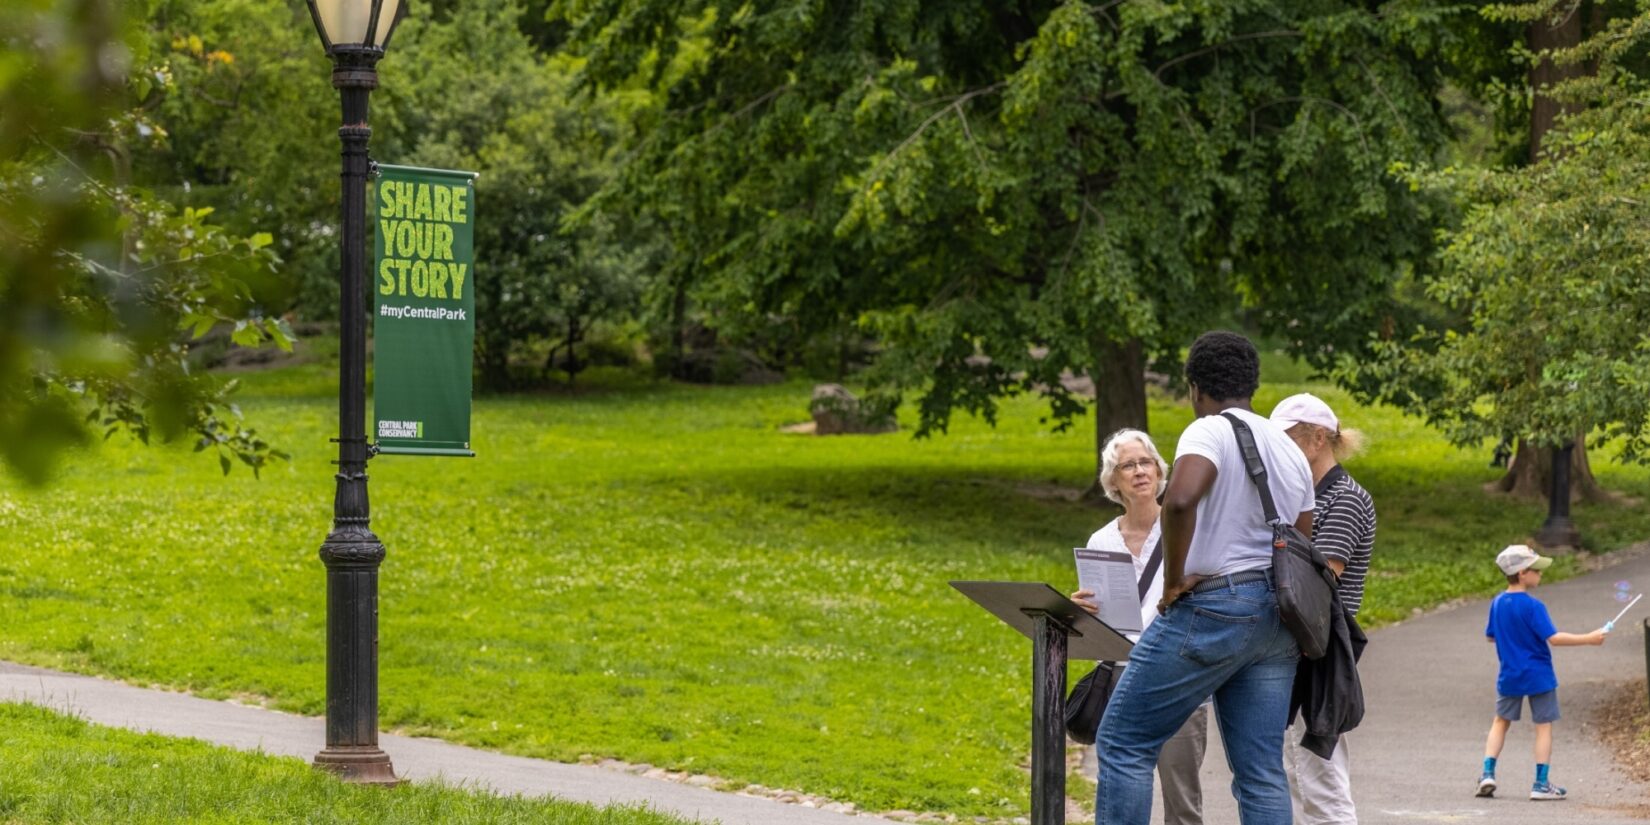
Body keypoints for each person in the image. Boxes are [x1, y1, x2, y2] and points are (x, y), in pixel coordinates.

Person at [1094, 331, 1315, 825]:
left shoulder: (1208, 430)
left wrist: (1173, 581)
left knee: (1123, 741)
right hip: (1277, 620)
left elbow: (1179, 498)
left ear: (1195, 387)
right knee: (1260, 772)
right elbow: (1303, 542)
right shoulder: (1288, 449)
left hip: (1217, 607)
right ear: (1252, 383)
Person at [1070, 428, 1207, 825]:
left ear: (1161, 472)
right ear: (1113, 481)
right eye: (1127, 465)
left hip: (1178, 676)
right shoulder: (1101, 538)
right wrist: (1077, 608)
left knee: (1182, 802)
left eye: (1146, 462)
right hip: (1119, 678)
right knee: (1123, 792)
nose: (1140, 472)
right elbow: (1096, 612)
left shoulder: (1189, 526)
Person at [1271, 393, 1376, 825]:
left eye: (1286, 442)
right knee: (1294, 781)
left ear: (1318, 438)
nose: (1279, 454)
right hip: (1295, 654)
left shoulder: (1345, 498)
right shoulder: (1302, 496)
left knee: (1323, 784)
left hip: (1320, 657)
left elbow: (1318, 580)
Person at [1477, 544, 1607, 801]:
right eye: (1537, 569)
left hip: (1510, 675)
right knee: (1543, 727)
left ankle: (1487, 774)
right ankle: (1540, 783)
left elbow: (1491, 637)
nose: (1541, 574)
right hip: (1539, 675)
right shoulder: (1534, 606)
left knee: (1500, 723)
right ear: (1523, 573)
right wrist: (1590, 638)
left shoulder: (1497, 603)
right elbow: (1554, 639)